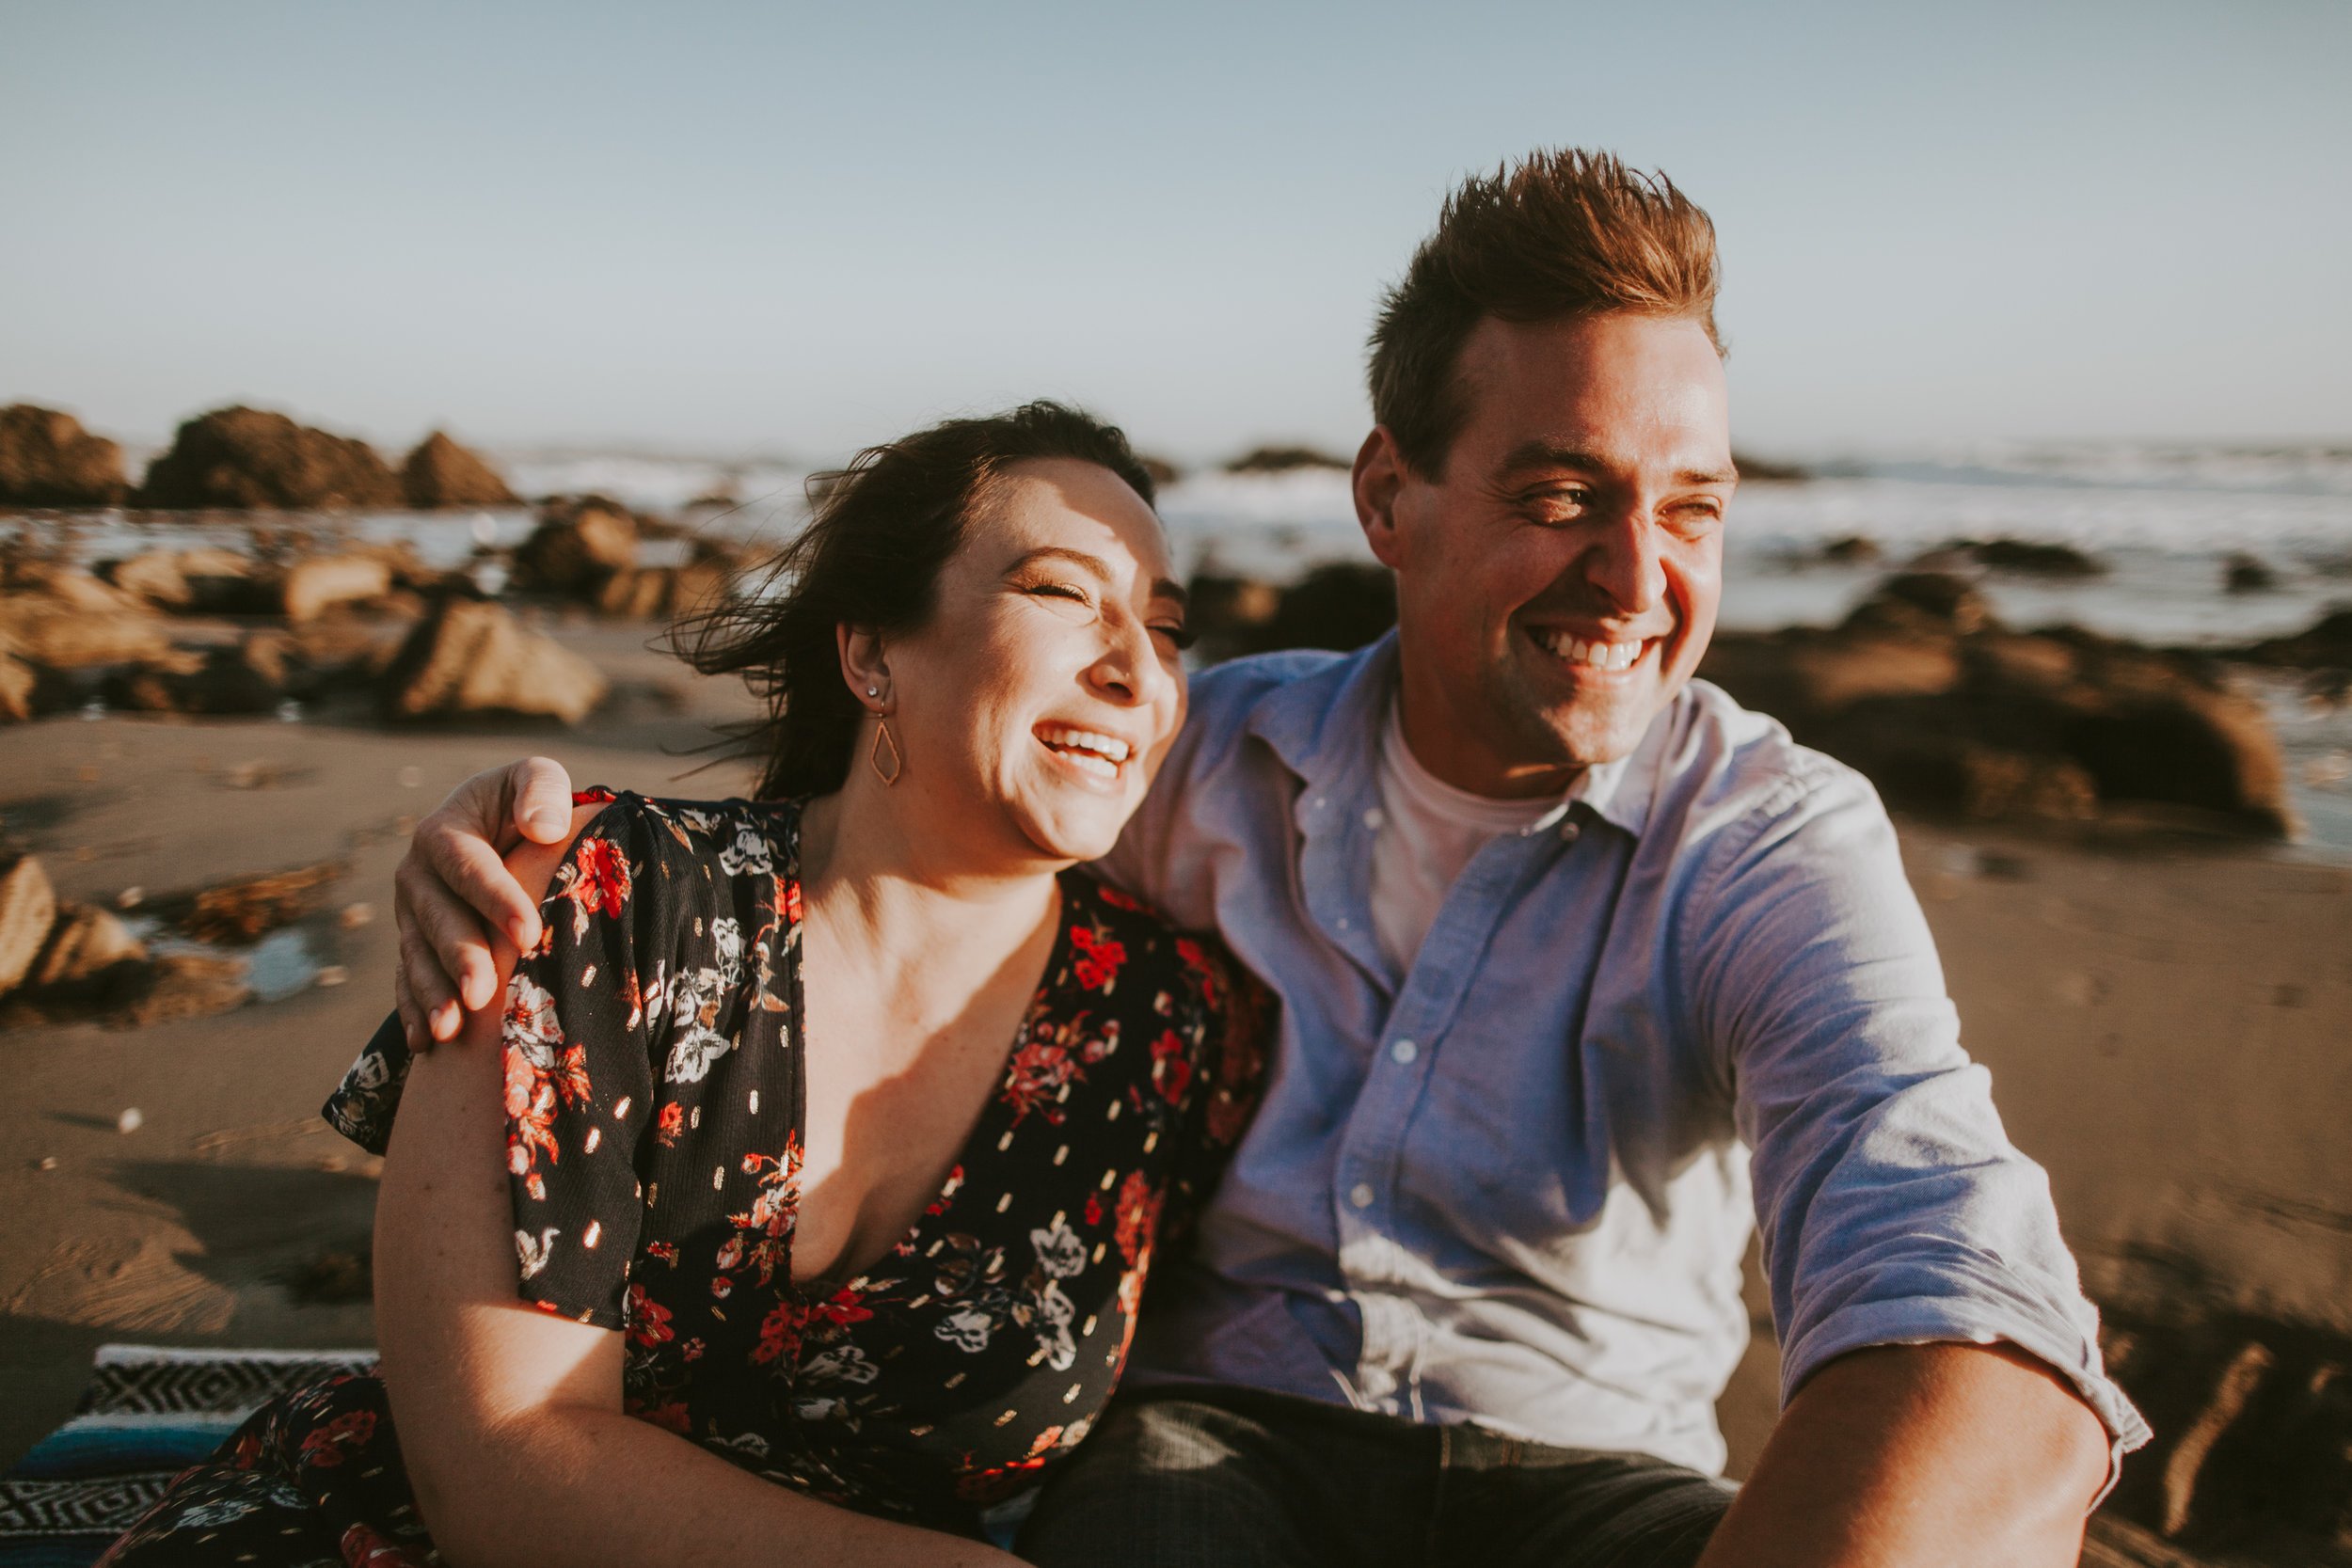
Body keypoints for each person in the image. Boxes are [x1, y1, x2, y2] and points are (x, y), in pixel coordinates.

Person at [387, 151, 2152, 1567]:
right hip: (1220, 1444)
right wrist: (547, 845)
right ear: (1390, 500)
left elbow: (1935, 1233)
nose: (1639, 579)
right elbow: (908, 825)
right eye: (1559, 494)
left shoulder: (1765, 840)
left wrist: (1960, 1406)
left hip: (1596, 1467)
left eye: (1690, 506)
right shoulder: (1194, 752)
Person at [97, 403, 1268, 1567]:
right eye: (1064, 594)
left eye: (1166, 630)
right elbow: (503, 1467)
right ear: (869, 651)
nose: (1135, 671)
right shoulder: (607, 898)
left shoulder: (1171, 1028)